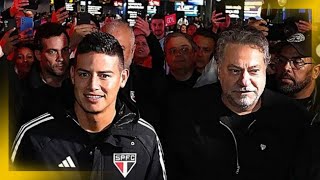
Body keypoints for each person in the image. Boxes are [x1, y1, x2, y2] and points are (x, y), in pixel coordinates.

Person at [11, 32, 167, 180]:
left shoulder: (145, 138)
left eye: (104, 75)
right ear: (72, 75)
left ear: (123, 78)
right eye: (84, 74)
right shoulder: (35, 137)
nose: (93, 85)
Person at [164, 28, 310, 180]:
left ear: (266, 69)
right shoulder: (184, 113)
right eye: (235, 70)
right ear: (219, 71)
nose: (244, 81)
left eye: (254, 71)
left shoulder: (292, 118)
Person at [273, 33, 320, 125]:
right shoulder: (262, 98)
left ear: (316, 72)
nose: (286, 67)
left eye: (297, 62)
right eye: (281, 60)